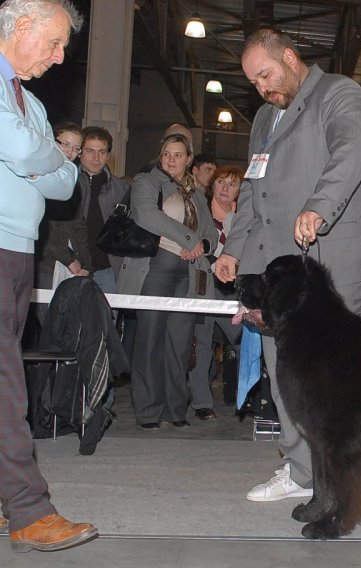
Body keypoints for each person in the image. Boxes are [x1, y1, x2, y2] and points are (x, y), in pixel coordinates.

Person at [215, 28, 361, 501]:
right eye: (254, 83)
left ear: (289, 57)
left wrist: (319, 206)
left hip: (331, 261)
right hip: (278, 269)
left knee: (330, 376)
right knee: (284, 370)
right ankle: (300, 470)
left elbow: (353, 153)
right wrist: (235, 251)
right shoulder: (264, 119)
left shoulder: (338, 93)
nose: (263, 89)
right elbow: (253, 191)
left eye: (266, 75)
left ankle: (339, 475)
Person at [0, 0, 97, 552]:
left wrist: (37, 155)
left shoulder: (29, 103)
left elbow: (67, 185)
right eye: (55, 42)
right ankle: (28, 509)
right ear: (24, 25)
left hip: (18, 252)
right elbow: (20, 149)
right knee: (7, 382)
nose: (60, 57)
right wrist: (40, 155)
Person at [117, 133, 218, 429]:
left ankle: (175, 410)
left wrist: (203, 247)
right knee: (149, 341)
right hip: (154, 269)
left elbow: (210, 232)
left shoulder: (197, 193)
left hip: (187, 275)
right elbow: (146, 215)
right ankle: (148, 411)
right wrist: (190, 238)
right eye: (166, 154)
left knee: (180, 345)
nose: (171, 159)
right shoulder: (146, 182)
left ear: (189, 159)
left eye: (177, 154)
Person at [188, 164, 243, 419]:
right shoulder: (199, 211)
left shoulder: (246, 217)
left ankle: (251, 399)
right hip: (203, 283)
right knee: (201, 342)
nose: (225, 188)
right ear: (212, 185)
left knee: (246, 340)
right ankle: (201, 402)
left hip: (235, 289)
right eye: (221, 182)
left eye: (232, 184)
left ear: (240, 191)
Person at [35, 122, 91, 312]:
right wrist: (68, 259)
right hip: (46, 261)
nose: (70, 152)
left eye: (76, 148)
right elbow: (42, 225)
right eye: (65, 144)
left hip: (72, 263)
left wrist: (85, 262)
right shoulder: (38, 174)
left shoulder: (77, 180)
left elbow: (79, 224)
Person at [77, 126, 129, 294]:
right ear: (80, 152)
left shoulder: (121, 189)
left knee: (107, 318)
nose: (96, 158)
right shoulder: (66, 184)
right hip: (73, 265)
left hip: (108, 268)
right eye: (90, 151)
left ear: (108, 155)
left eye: (102, 152)